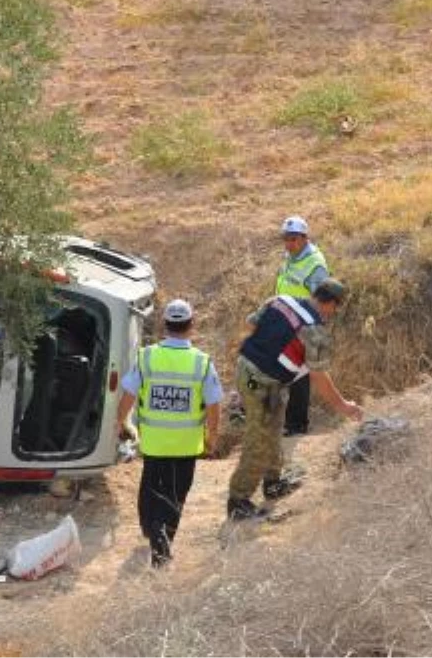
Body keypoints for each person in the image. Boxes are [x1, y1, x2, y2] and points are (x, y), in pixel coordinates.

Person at [227, 278, 363, 521]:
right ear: (330, 303)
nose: (334, 313)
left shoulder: (280, 300)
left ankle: (273, 482)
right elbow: (319, 376)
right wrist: (343, 406)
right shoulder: (314, 330)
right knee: (259, 439)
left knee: (274, 427)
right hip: (264, 384)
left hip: (247, 370)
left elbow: (250, 326)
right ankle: (238, 501)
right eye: (336, 307)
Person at [116, 299, 221, 568]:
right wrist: (212, 436)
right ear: (191, 325)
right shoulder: (202, 362)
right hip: (185, 446)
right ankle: (161, 551)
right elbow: (213, 405)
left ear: (165, 324)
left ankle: (150, 531)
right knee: (175, 495)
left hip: (154, 443)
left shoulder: (147, 356)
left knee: (151, 487)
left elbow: (128, 394)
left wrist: (120, 422)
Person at [275, 215, 330, 435]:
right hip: (285, 323)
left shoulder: (315, 264)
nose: (289, 243)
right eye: (286, 239)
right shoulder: (290, 257)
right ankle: (287, 422)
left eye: (293, 238)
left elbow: (323, 301)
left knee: (299, 375)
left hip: (303, 328)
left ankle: (297, 425)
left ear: (305, 238)